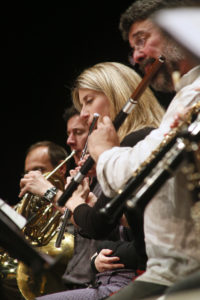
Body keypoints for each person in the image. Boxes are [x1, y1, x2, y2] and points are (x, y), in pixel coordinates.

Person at [85, 1, 200, 299]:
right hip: (171, 270)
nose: (136, 57)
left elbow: (140, 169)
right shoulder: (184, 96)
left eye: (142, 40)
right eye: (132, 48)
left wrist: (105, 152)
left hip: (184, 271)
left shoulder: (195, 95)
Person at [32, 61, 164, 300]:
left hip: (128, 280)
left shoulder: (137, 141)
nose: (83, 114)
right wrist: (91, 202)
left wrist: (67, 199)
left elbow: (99, 225)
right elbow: (123, 224)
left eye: (89, 101)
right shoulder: (124, 146)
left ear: (116, 94)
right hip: (102, 279)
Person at [0, 140, 69, 300]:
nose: (32, 177)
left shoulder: (73, 202)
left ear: (62, 168)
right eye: (27, 172)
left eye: (39, 170)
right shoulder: (22, 208)